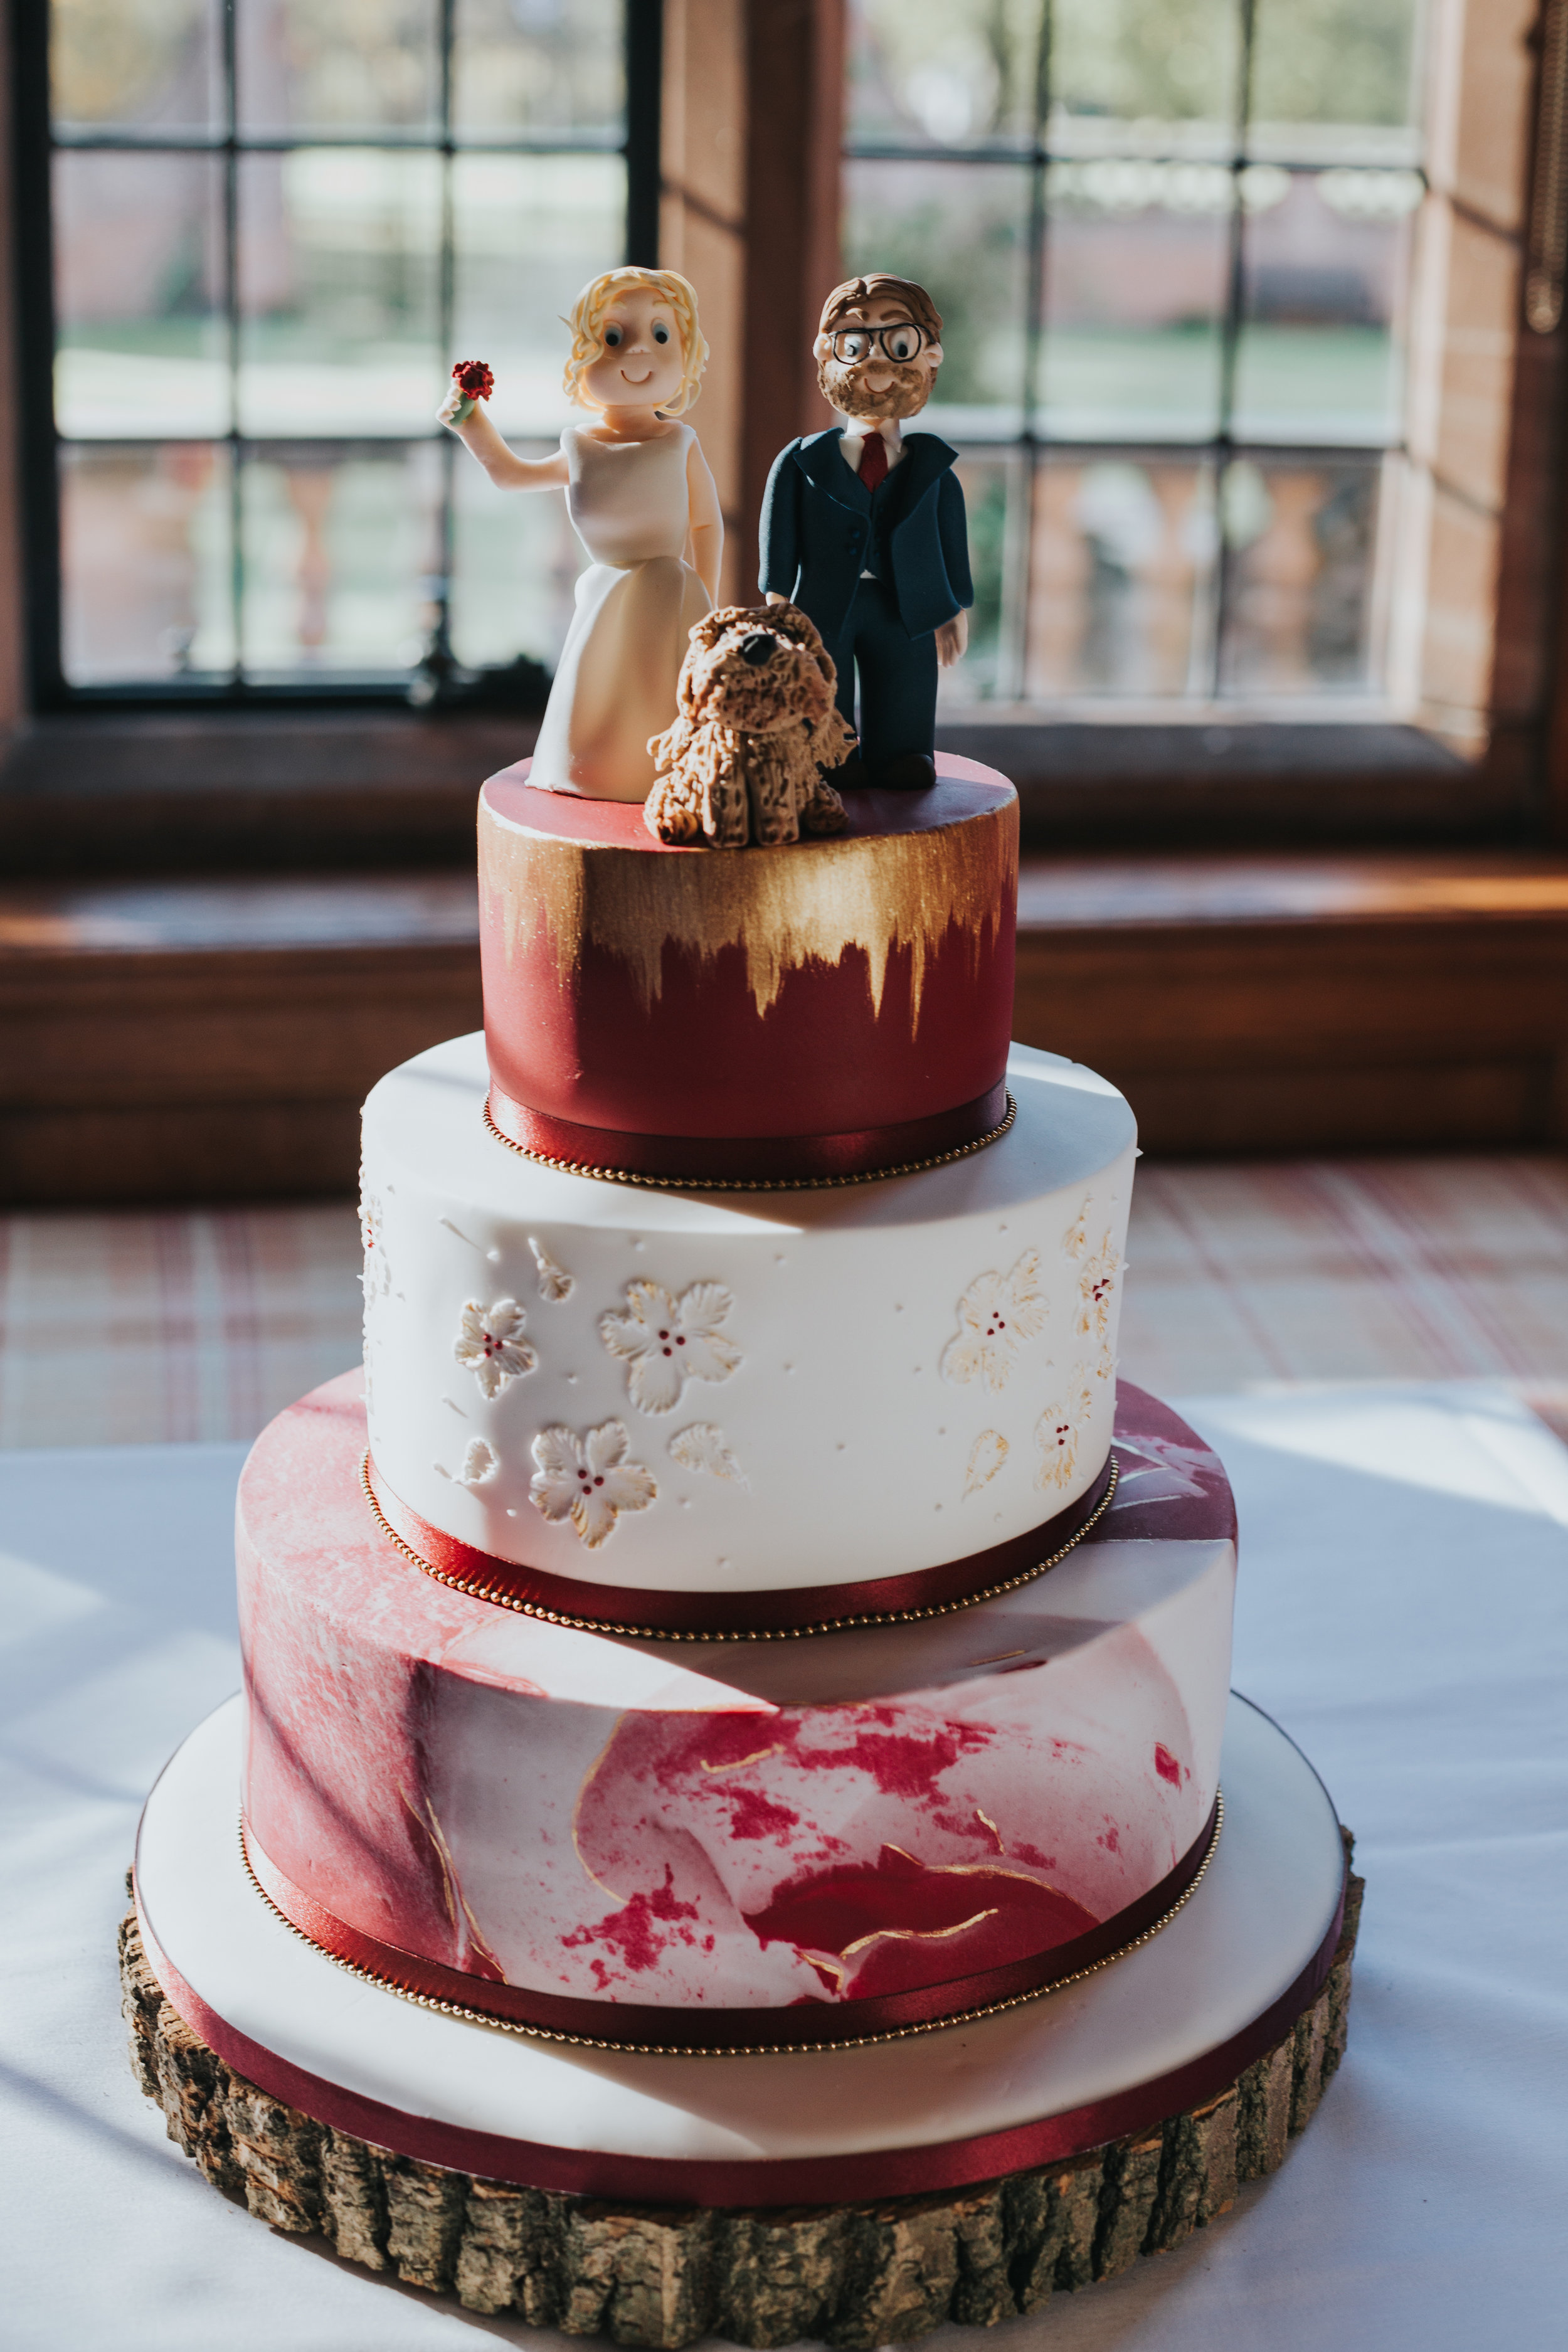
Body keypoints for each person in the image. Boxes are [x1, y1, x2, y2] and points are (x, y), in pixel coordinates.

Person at [439, 268, 722, 802]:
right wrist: (470, 421)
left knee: (664, 695)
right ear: (583, 354)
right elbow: (511, 474)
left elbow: (708, 523)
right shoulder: (580, 446)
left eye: (660, 335)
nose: (638, 353)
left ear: (686, 349)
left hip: (674, 596)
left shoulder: (680, 442)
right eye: (614, 337)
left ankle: (676, 774)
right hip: (607, 592)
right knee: (599, 697)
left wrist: (708, 605)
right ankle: (593, 770)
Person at [758, 273, 972, 791]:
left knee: (907, 682)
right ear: (825, 354)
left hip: (907, 607)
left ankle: (903, 752)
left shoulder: (934, 470)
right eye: (855, 344)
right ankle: (829, 756)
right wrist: (777, 599)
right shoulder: (802, 461)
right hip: (824, 603)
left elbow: (952, 545)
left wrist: (954, 609)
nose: (876, 361)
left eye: (899, 344)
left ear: (932, 356)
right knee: (822, 687)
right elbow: (780, 535)